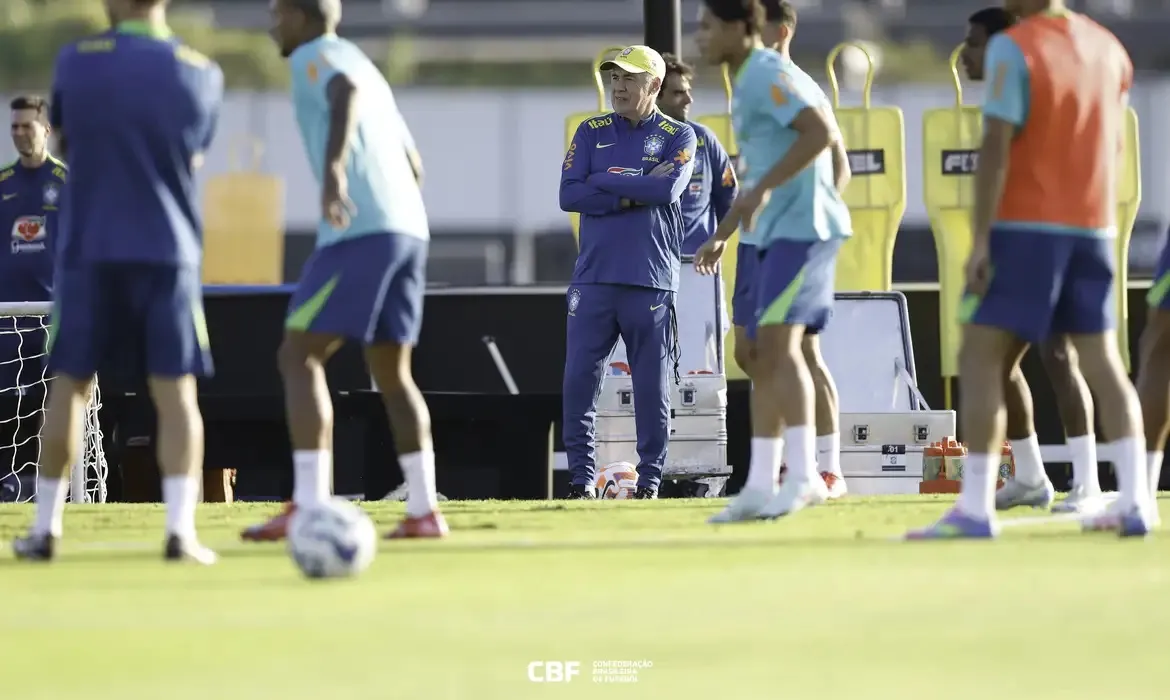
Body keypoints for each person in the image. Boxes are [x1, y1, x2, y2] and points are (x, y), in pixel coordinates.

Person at [908, 0, 1152, 539]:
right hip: (1093, 225)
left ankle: (975, 509)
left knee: (978, 353)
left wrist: (981, 239)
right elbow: (1111, 142)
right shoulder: (1109, 47)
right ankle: (1135, 501)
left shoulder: (1013, 49)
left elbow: (996, 143)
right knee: (1103, 362)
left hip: (1026, 226)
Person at [13, 0, 224, 562]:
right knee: (176, 391)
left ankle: (46, 529)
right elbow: (193, 157)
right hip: (168, 250)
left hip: (90, 248)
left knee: (70, 385)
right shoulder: (202, 72)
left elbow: (66, 142)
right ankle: (180, 532)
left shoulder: (76, 61)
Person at [243, 0, 443, 541]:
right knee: (393, 372)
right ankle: (424, 510)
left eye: (278, 13)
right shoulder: (365, 64)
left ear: (301, 16)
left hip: (361, 230)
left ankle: (308, 504)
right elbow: (414, 164)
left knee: (298, 353)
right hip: (409, 229)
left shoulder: (315, 56)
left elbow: (343, 93)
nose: (272, 24)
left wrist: (335, 172)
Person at [694, 0, 853, 522]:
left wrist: (764, 188)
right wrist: (732, 224)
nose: (700, 37)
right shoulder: (747, 79)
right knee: (761, 353)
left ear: (741, 28)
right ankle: (761, 484)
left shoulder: (767, 73)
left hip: (801, 231)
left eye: (708, 27)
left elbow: (820, 134)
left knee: (784, 349)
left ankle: (807, 476)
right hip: (772, 234)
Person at [961, 6, 1105, 515]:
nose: (964, 54)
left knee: (1060, 355)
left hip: (1049, 238)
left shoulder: (1029, 77)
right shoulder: (1004, 90)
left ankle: (1088, 483)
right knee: (999, 364)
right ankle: (1030, 477)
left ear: (1003, 45)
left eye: (974, 43)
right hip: (1015, 241)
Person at [559, 45, 697, 500]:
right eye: (614, 78)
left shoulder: (680, 135)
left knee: (651, 388)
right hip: (593, 277)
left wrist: (603, 181)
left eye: (629, 79)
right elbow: (569, 195)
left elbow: (668, 189)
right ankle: (580, 481)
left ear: (654, 85)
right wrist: (632, 191)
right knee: (579, 381)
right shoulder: (590, 130)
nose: (618, 87)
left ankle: (650, 481)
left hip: (650, 278)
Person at [0, 96, 67, 502]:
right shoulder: (3, 184)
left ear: (46, 129)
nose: (20, 133)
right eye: (14, 126)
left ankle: (50, 492)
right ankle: (8, 488)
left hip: (50, 321)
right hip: (5, 324)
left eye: (27, 125)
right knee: (7, 411)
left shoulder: (67, 182)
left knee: (50, 409)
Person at [655, 53, 737, 373]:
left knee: (702, 367)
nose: (689, 99)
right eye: (678, 93)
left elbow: (730, 197)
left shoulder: (704, 139)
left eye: (688, 91)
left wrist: (719, 239)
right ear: (655, 95)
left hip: (698, 269)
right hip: (649, 270)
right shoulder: (631, 140)